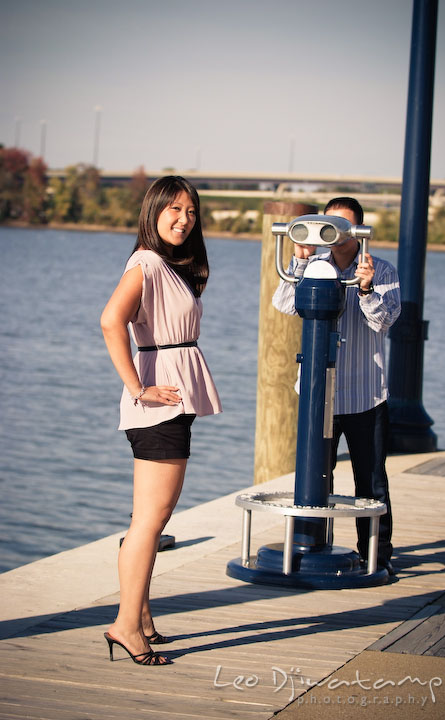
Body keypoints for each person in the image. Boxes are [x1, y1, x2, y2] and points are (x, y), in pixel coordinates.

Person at [100, 176, 221, 665]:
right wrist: (138, 387)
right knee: (151, 518)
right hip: (158, 403)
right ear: (152, 211)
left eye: (191, 211)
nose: (183, 218)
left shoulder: (171, 266)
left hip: (171, 398)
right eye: (173, 208)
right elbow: (111, 320)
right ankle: (126, 625)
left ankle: (141, 615)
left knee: (151, 518)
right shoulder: (146, 263)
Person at [272, 197, 401, 575]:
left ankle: (377, 555)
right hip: (318, 393)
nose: (335, 232)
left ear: (359, 229)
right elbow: (284, 303)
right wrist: (298, 259)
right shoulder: (313, 265)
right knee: (313, 476)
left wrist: (365, 289)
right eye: (329, 223)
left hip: (365, 394)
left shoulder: (383, 269)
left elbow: (385, 321)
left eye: (343, 224)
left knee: (371, 480)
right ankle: (309, 548)